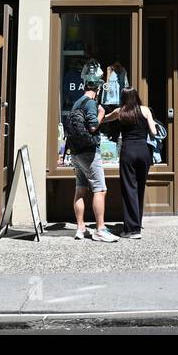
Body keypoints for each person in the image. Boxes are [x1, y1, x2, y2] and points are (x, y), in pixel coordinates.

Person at [68, 78, 118, 243]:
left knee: (80, 189)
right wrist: (101, 115)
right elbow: (92, 126)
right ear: (98, 90)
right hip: (89, 153)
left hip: (75, 153)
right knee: (100, 190)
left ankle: (80, 227)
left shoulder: (77, 102)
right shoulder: (90, 103)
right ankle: (100, 229)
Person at [112, 88, 156, 238]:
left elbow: (104, 120)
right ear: (136, 96)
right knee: (140, 187)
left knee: (129, 188)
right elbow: (154, 132)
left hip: (128, 151)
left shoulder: (120, 111)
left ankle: (132, 229)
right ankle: (137, 222)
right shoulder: (145, 110)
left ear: (123, 97)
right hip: (143, 150)